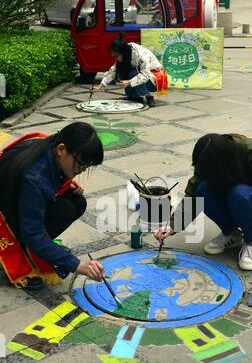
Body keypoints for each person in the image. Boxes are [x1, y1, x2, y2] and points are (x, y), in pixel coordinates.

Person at [154, 133, 252, 270]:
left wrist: (242, 192)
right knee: (202, 189)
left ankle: (250, 242)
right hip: (236, 204)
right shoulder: (207, 159)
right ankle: (231, 234)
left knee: (239, 193)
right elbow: (193, 195)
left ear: (222, 164)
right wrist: (172, 225)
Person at [0, 122, 105, 290]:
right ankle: (22, 252)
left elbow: (44, 179)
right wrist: (77, 265)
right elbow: (33, 233)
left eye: (86, 166)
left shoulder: (49, 143)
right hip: (3, 218)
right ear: (61, 149)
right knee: (63, 212)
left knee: (77, 202)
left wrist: (64, 183)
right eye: (81, 164)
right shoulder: (35, 179)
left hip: (11, 198)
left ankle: (39, 248)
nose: (82, 170)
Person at [91, 33, 168, 108]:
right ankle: (134, 96)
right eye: (112, 55)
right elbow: (113, 71)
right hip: (144, 74)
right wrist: (99, 87)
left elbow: (145, 75)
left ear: (122, 53)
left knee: (133, 72)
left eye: (115, 55)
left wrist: (129, 82)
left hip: (155, 78)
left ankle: (148, 97)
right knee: (123, 70)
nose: (114, 57)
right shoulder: (126, 53)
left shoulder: (141, 55)